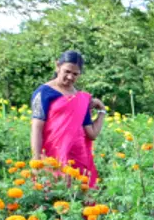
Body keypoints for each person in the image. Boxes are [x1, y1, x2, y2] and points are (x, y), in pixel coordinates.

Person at [30, 50, 106, 188]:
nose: (70, 77)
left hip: (78, 157)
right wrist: (36, 160)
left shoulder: (81, 99)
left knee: (80, 197)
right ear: (57, 66)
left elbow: (92, 133)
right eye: (67, 71)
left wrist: (102, 111)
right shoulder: (43, 93)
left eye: (75, 74)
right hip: (53, 156)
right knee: (54, 195)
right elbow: (37, 128)